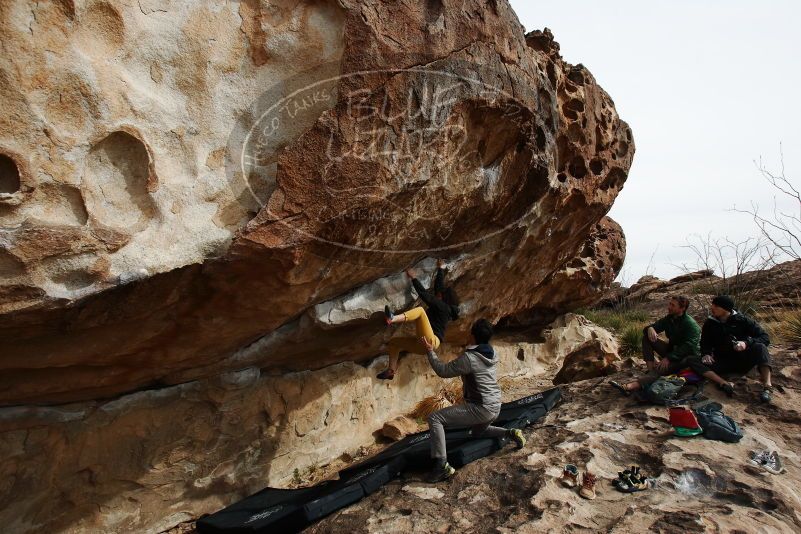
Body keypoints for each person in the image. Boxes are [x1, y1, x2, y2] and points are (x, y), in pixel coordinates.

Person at [421, 319, 526, 482]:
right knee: (478, 432)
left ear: (472, 335)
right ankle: (510, 433)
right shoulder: (491, 352)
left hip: (481, 408)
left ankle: (441, 465)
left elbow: (443, 370)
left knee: (435, 418)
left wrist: (429, 351)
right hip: (495, 405)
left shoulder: (469, 358)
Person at [376, 259, 459, 380]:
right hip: (422, 346)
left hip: (432, 340)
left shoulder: (443, 307)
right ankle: (391, 370)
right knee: (394, 343)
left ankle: (392, 318)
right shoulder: (443, 305)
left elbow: (425, 295)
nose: (438, 294)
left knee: (420, 311)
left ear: (443, 298)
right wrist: (440, 269)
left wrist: (413, 278)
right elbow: (439, 287)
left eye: (440, 294)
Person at [610, 295, 701, 395]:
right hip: (672, 351)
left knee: (661, 368)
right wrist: (650, 328)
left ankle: (629, 387)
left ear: (682, 308)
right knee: (647, 338)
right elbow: (654, 327)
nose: (669, 307)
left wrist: (669, 358)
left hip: (685, 357)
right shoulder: (670, 319)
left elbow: (689, 347)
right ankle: (650, 370)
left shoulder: (691, 324)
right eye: (669, 304)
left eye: (673, 305)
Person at [690, 295, 773, 402]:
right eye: (712, 305)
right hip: (723, 362)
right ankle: (723, 383)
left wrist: (745, 343)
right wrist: (706, 353)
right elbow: (705, 342)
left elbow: (765, 337)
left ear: (726, 308)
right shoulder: (710, 323)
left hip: (743, 360)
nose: (712, 308)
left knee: (760, 347)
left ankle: (767, 386)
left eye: (716, 306)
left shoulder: (743, 320)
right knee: (692, 360)